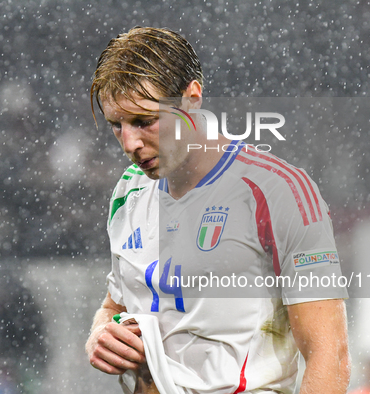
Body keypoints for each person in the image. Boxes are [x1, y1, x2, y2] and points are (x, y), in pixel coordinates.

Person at [85, 26, 350, 394]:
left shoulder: (278, 191)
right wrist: (100, 331)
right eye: (117, 125)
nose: (129, 143)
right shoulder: (128, 191)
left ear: (192, 98)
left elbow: (329, 355)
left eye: (144, 121)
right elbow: (115, 304)